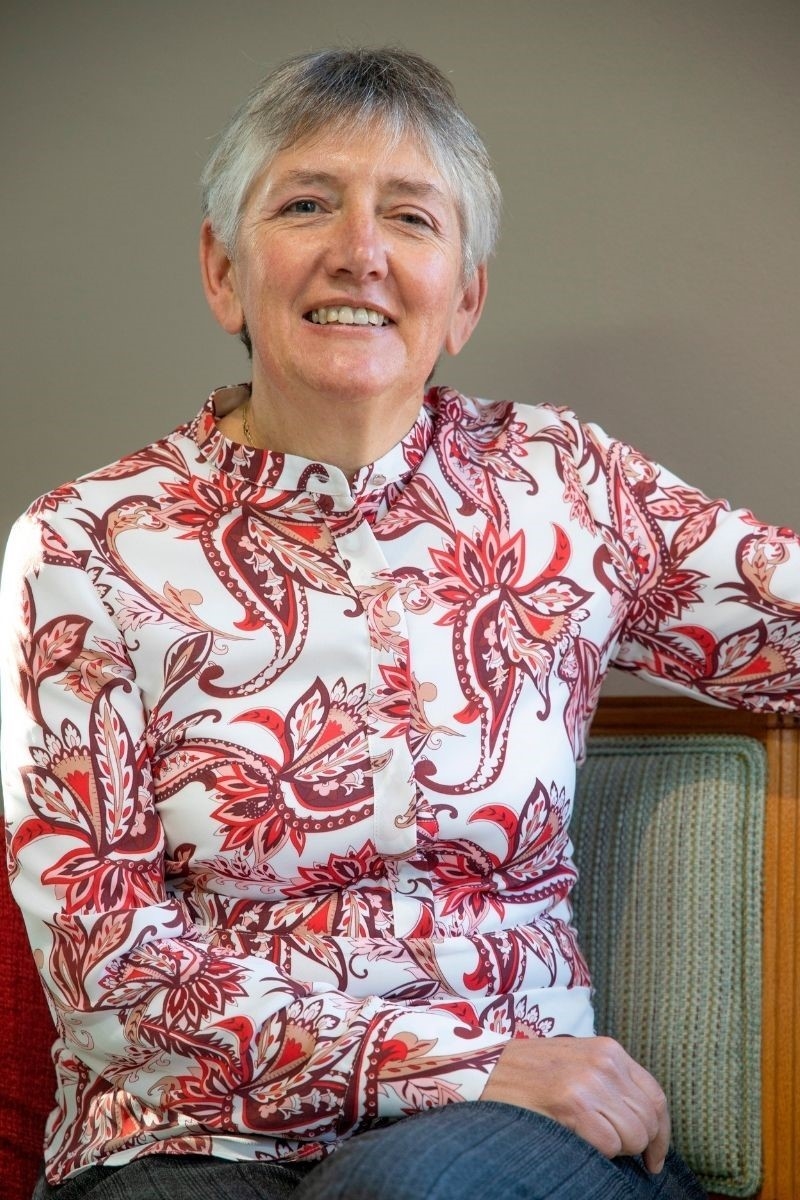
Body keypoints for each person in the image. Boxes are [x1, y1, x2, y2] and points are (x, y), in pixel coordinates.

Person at [1, 46, 798, 1200]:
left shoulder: (563, 487)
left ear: (463, 296)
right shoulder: (82, 544)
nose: (359, 252)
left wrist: (483, 1084)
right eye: (306, 204)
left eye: (410, 217)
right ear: (223, 271)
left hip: (512, 1140)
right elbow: (106, 964)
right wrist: (453, 1064)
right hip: (183, 1132)